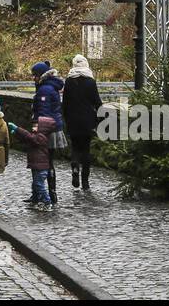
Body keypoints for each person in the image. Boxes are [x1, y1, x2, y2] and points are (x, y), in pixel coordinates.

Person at [62, 54, 103, 191]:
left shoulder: (68, 81)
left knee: (75, 147)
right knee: (86, 149)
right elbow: (97, 102)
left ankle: (74, 165)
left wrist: (66, 119)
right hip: (87, 120)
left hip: (72, 119)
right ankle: (85, 183)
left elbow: (65, 103)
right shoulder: (90, 82)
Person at [30, 61, 66, 205]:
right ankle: (44, 193)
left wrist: (37, 130)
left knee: (44, 162)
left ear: (41, 75)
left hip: (47, 130)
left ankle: (49, 194)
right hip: (54, 128)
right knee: (47, 162)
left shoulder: (44, 90)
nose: (33, 78)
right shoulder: (50, 87)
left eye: (34, 75)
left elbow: (43, 113)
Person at [9, 116, 57, 211]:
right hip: (36, 165)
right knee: (35, 184)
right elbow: (26, 140)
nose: (33, 127)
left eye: (36, 125)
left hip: (41, 166)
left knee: (39, 184)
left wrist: (17, 129)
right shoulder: (36, 136)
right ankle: (35, 200)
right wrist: (16, 134)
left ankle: (47, 202)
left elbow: (29, 137)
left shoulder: (41, 137)